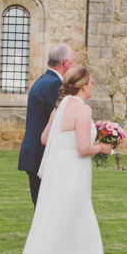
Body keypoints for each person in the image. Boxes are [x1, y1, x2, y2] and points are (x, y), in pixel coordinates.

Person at [4, 67, 120, 254]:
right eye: (91, 83)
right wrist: (102, 148)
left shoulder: (60, 107)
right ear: (83, 86)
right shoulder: (82, 108)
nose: (92, 86)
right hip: (74, 174)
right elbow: (83, 149)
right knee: (82, 224)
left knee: (56, 225)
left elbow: (45, 139)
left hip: (58, 174)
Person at [18, 44, 76, 208]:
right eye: (73, 62)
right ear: (65, 63)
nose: (74, 66)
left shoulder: (43, 80)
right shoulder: (54, 84)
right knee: (47, 207)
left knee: (42, 206)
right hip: (42, 153)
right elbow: (60, 121)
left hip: (35, 151)